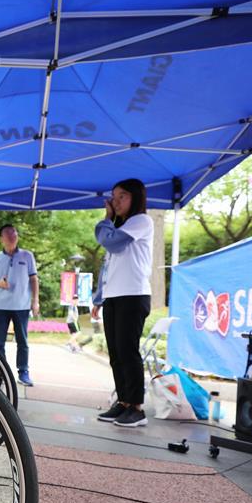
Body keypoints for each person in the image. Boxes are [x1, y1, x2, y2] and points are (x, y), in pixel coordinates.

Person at [92, 179, 153, 428]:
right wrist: (99, 298)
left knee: (128, 352)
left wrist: (105, 219)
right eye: (113, 197)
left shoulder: (141, 221)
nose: (115, 202)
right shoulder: (121, 228)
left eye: (122, 197)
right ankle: (124, 402)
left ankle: (137, 408)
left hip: (133, 295)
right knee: (116, 354)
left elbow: (112, 243)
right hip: (114, 296)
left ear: (135, 198)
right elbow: (108, 267)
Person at [0, 224, 39, 386]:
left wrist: (35, 301)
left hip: (22, 306)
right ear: (1, 238)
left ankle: (23, 373)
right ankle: (0, 372)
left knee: (22, 341)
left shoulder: (27, 256)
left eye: (14, 232)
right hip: (0, 307)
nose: (12, 235)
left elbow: (34, 279)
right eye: (8, 233)